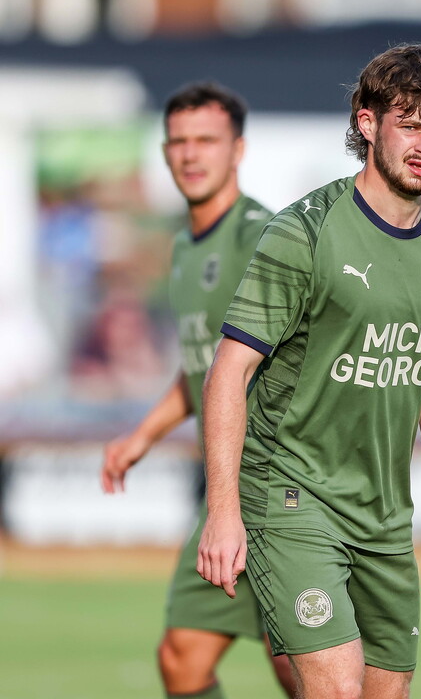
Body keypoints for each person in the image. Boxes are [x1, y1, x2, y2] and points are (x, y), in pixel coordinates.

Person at [196, 44, 421, 699]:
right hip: (290, 497)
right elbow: (229, 373)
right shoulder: (303, 233)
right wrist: (222, 511)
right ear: (367, 122)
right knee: (338, 691)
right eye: (410, 122)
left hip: (384, 513)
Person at [100, 82, 296, 699]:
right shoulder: (184, 246)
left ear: (237, 149)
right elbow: (204, 369)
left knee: (301, 667)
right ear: (163, 152)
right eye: (179, 142)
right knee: (182, 657)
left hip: (278, 486)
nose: (191, 155)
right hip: (225, 493)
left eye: (206, 141)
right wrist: (143, 435)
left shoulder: (262, 238)